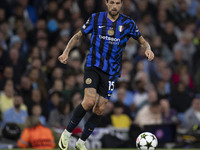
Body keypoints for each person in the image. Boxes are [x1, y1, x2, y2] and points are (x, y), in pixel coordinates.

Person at [58, 0, 154, 150]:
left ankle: (81, 142)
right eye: (111, 2)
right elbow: (77, 36)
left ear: (121, 4)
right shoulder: (96, 18)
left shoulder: (128, 23)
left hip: (111, 72)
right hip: (93, 66)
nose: (114, 6)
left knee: (99, 109)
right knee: (89, 101)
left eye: (117, 3)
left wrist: (148, 49)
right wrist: (66, 52)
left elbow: (142, 41)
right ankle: (67, 132)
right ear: (106, 3)